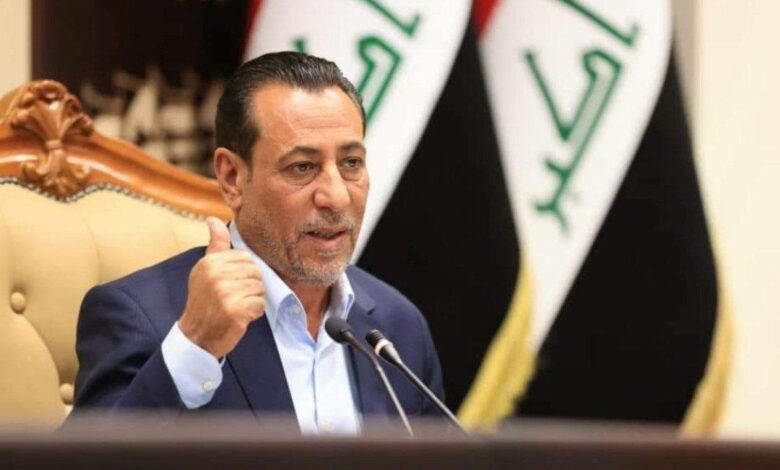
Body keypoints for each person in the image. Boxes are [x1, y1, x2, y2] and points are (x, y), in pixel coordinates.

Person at [73, 52, 444, 434]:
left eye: (351, 163)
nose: (336, 197)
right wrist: (196, 344)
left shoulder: (399, 326)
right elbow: (90, 459)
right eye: (303, 167)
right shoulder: (139, 316)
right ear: (232, 177)